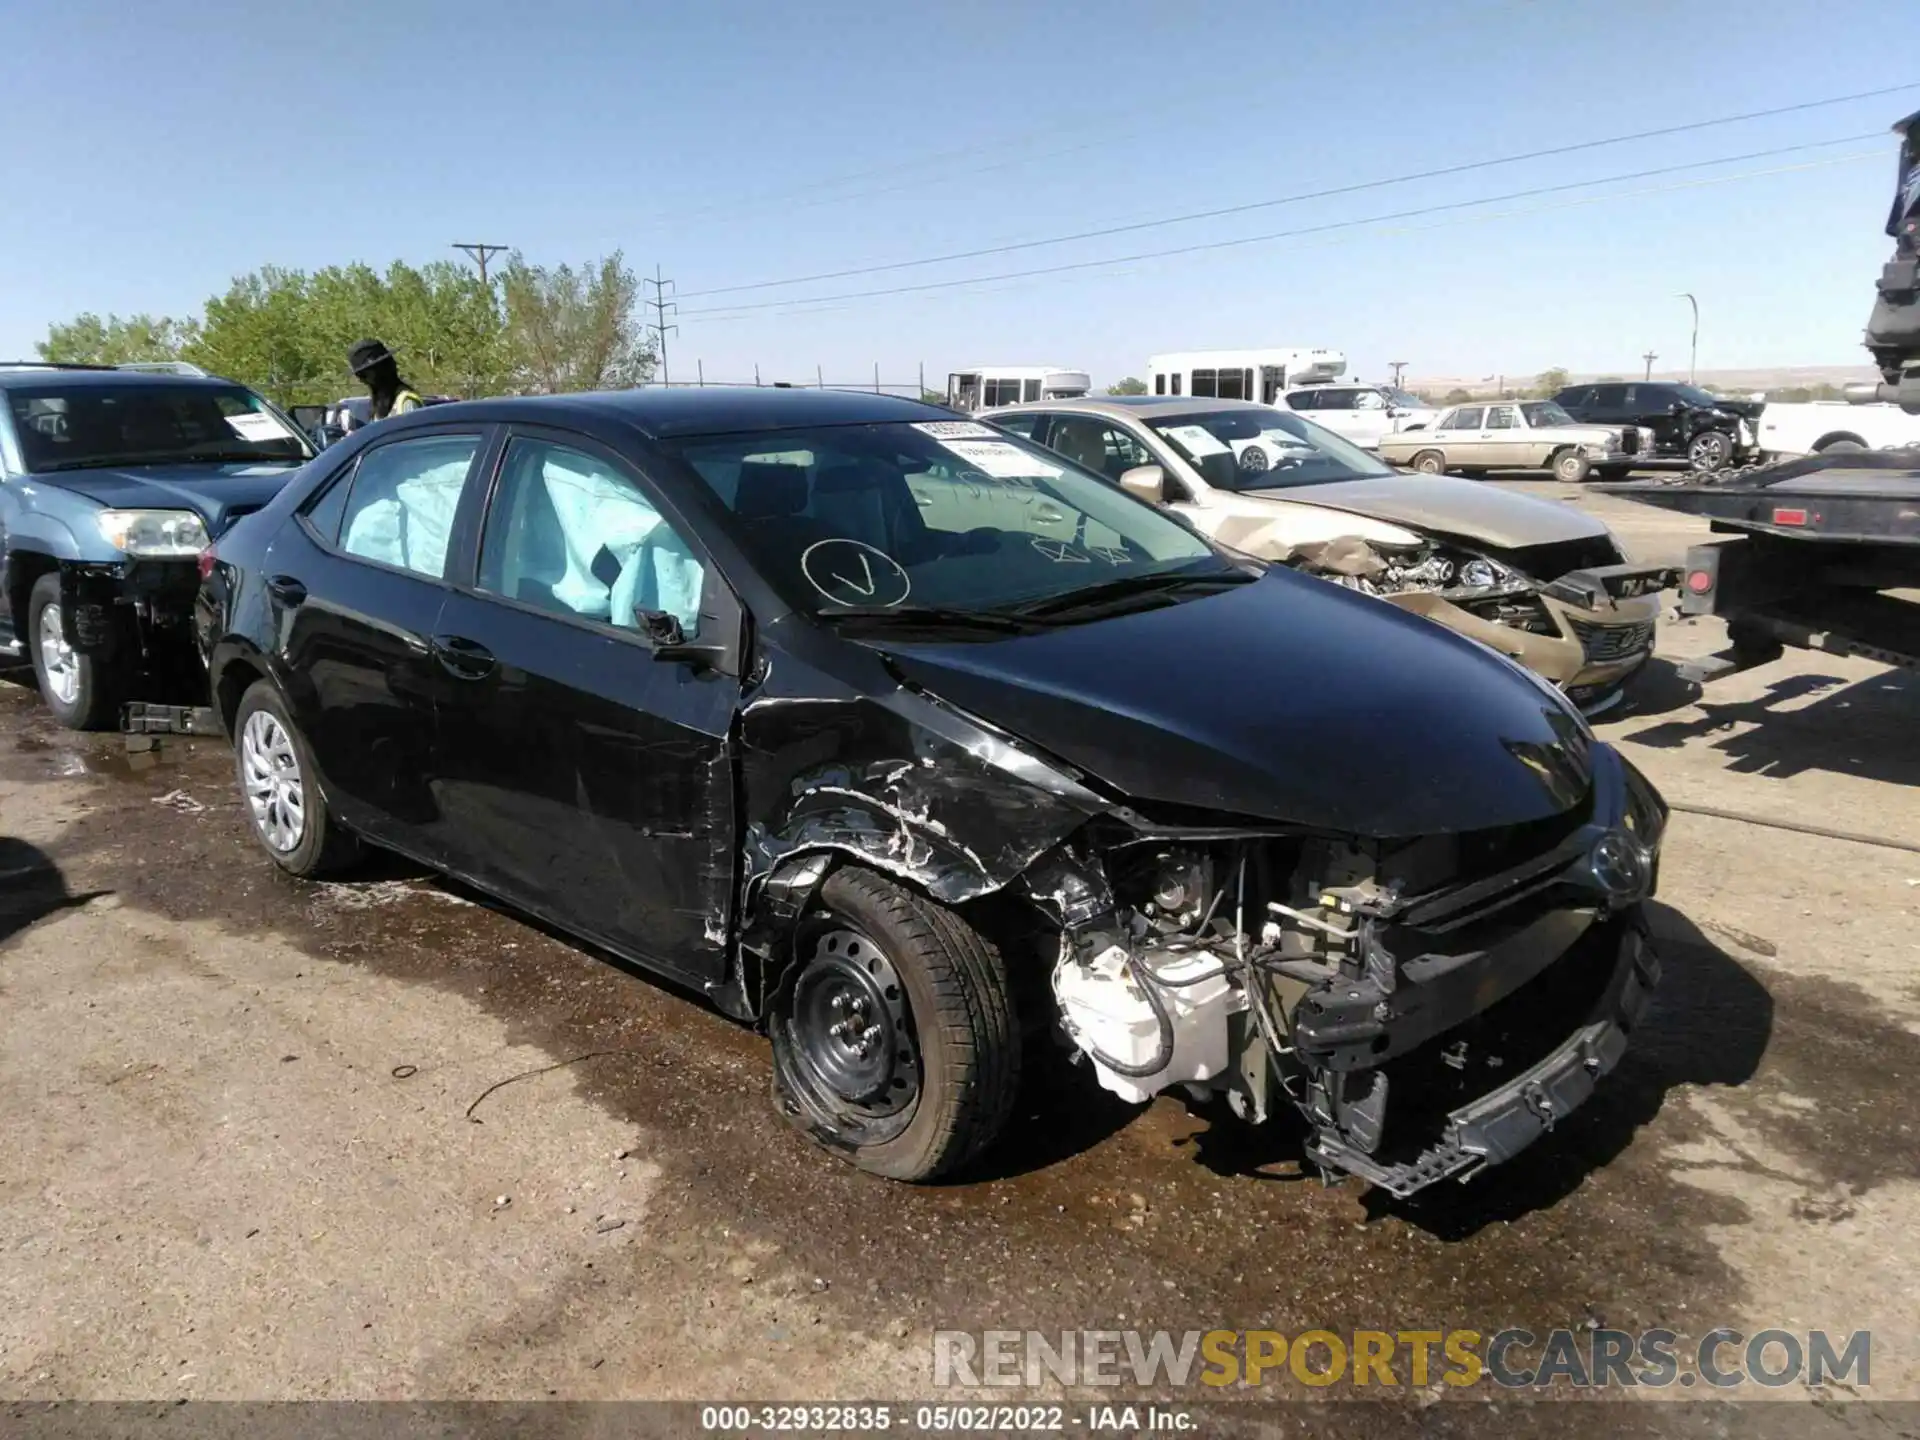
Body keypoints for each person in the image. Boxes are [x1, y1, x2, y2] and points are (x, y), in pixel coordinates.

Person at [347, 339, 424, 422]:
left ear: (382, 369)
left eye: (363, 375)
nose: (361, 381)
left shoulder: (406, 402)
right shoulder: (378, 408)